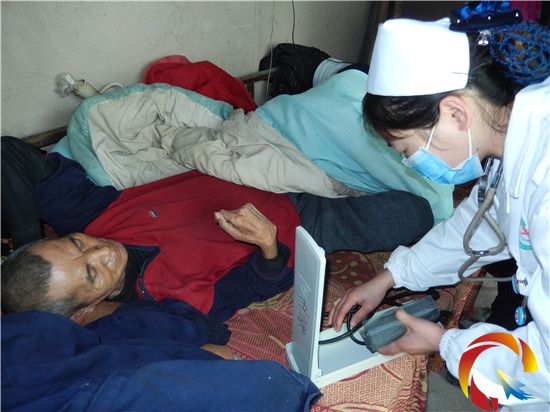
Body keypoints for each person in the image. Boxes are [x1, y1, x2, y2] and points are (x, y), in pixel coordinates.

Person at [328, 10, 549, 407]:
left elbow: (545, 368)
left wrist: (446, 343)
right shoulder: (514, 144)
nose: (411, 163)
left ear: (455, 114)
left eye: (407, 150)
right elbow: (481, 223)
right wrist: (391, 276)